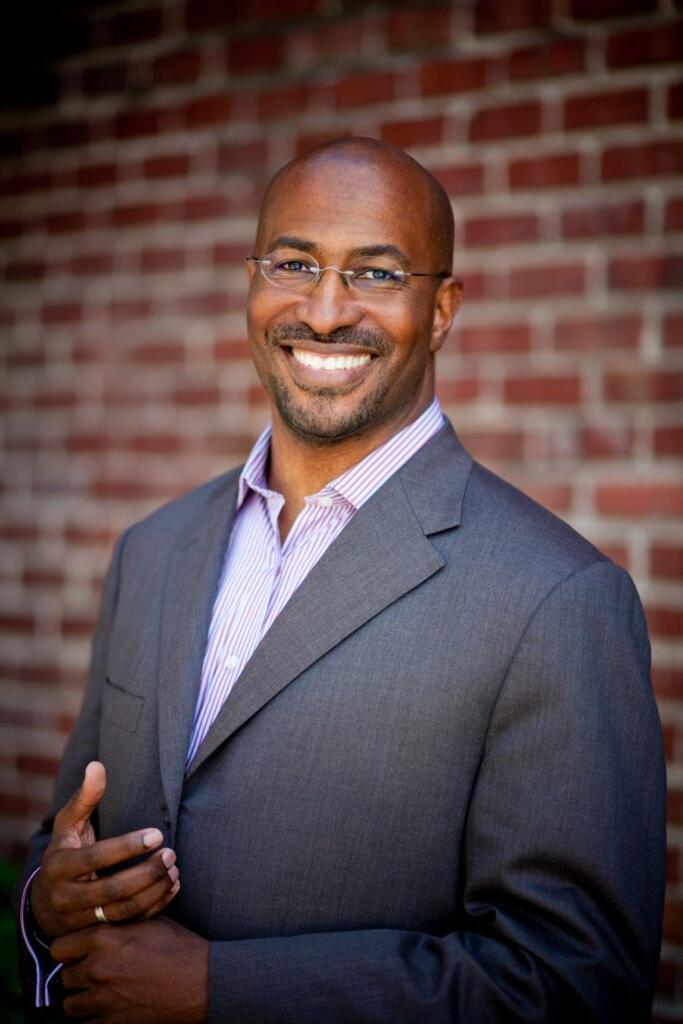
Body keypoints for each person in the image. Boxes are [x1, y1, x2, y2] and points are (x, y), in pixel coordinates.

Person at [19, 137, 666, 1023]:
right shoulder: (152, 550)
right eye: (293, 264)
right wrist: (43, 902)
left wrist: (219, 992)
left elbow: (572, 981)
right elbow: (57, 836)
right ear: (251, 280)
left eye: (374, 275)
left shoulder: (558, 599)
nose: (322, 313)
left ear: (441, 310)